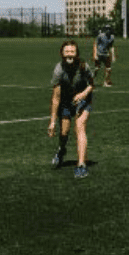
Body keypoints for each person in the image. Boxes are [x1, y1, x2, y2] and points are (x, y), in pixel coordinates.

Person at [48, 40, 94, 178]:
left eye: (72, 52)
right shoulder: (59, 70)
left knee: (80, 128)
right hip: (66, 102)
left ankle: (81, 165)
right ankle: (61, 151)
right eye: (67, 51)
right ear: (62, 53)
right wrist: (52, 122)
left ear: (77, 53)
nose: (70, 54)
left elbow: (91, 84)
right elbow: (56, 98)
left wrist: (83, 94)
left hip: (83, 101)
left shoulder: (83, 66)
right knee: (64, 133)